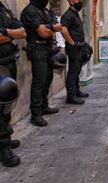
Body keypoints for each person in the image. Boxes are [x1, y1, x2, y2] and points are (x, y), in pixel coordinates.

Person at [20, 0, 62, 127]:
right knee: (39, 81)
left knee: (47, 79)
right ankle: (36, 114)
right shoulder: (30, 10)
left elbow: (58, 25)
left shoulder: (46, 10)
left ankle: (44, 106)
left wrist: (50, 27)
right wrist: (51, 28)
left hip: (48, 48)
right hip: (37, 49)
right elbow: (43, 32)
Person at [0, 1, 25, 167]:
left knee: (6, 106)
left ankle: (4, 138)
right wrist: (11, 34)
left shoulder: (2, 8)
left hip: (8, 62)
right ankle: (3, 148)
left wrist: (5, 32)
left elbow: (22, 31)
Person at [61, 0, 89, 105]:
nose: (80, 2)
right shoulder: (67, 15)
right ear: (71, 1)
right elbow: (63, 30)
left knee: (77, 71)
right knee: (73, 72)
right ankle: (71, 96)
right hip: (74, 48)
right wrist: (72, 43)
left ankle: (77, 91)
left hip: (79, 47)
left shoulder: (75, 14)